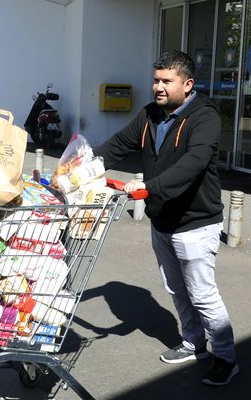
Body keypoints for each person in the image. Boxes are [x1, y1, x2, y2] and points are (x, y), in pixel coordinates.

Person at [95, 50, 238, 386]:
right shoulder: (150, 115)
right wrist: (84, 165)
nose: (158, 87)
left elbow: (194, 164)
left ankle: (226, 357)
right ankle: (193, 343)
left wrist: (149, 187)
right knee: (175, 289)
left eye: (166, 81)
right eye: (156, 80)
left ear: (187, 84)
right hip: (162, 222)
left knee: (201, 293)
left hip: (196, 223)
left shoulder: (205, 118)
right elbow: (118, 145)